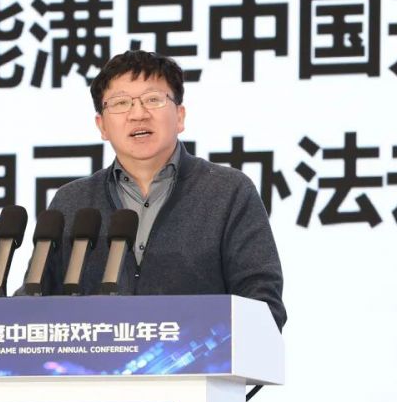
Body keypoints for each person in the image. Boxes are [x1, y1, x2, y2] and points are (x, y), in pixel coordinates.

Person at [38, 50, 286, 331]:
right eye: (120, 103)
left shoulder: (228, 192)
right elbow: (34, 308)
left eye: (153, 99)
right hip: (95, 360)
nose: (138, 114)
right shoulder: (72, 202)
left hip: (199, 358)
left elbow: (262, 304)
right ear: (102, 126)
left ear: (180, 116)